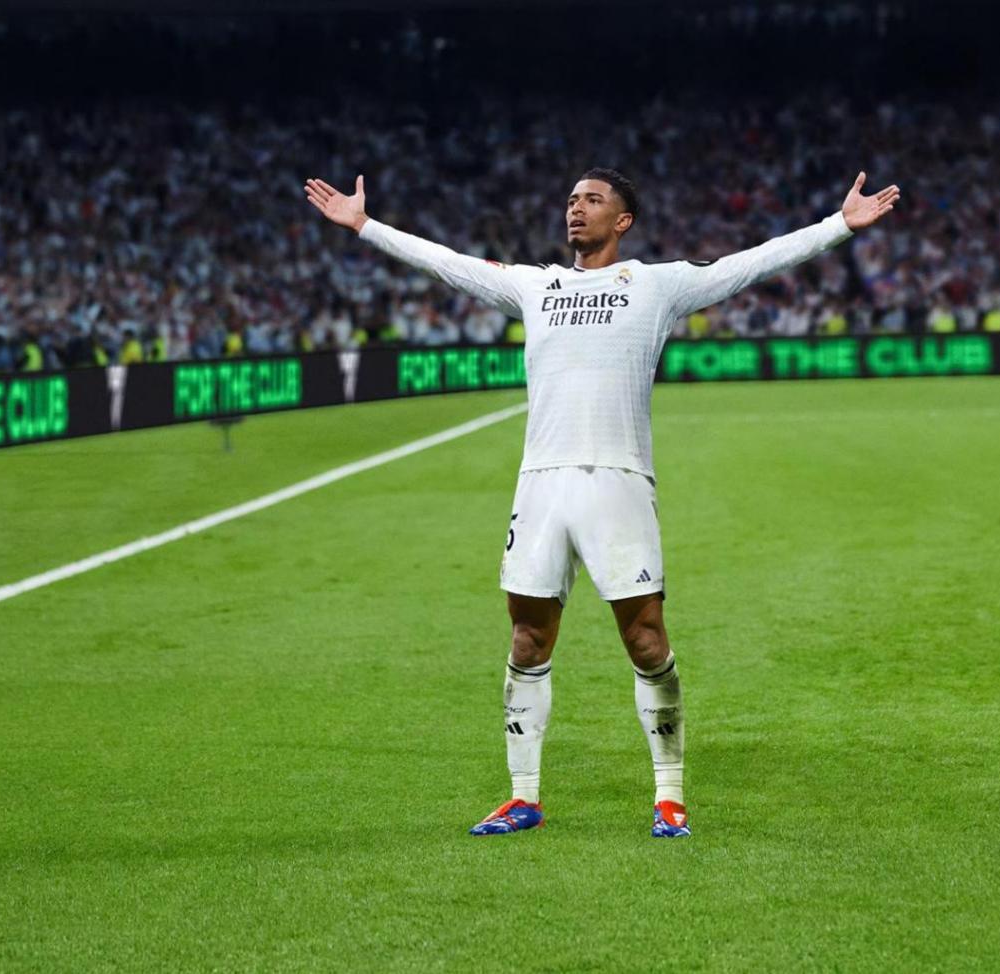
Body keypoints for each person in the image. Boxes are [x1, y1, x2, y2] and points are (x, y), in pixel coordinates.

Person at [304, 167, 899, 838]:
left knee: (645, 640)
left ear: (623, 220)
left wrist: (838, 226)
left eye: (592, 200)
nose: (576, 209)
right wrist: (365, 226)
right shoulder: (535, 285)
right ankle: (523, 797)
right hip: (541, 484)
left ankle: (669, 796)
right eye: (571, 200)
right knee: (527, 638)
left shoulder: (656, 284)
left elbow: (750, 264)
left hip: (619, 482)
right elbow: (448, 264)